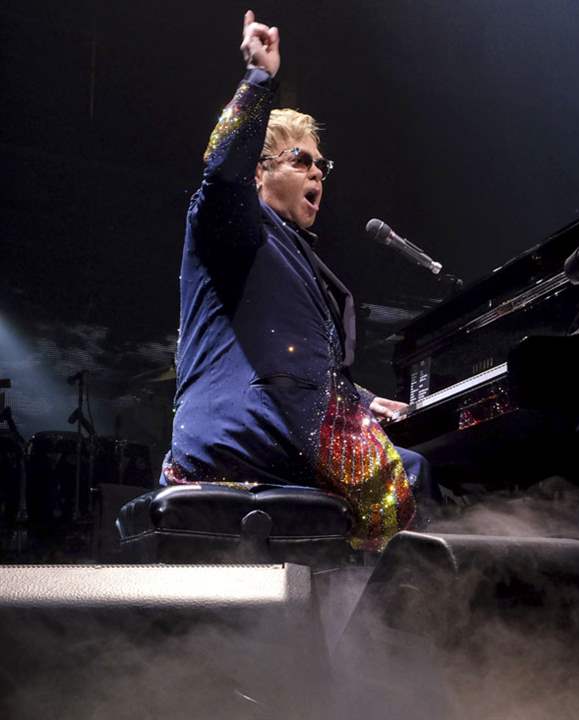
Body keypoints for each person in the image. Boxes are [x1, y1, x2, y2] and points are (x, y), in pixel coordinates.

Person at [161, 11, 436, 551]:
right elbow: (223, 169)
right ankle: (414, 607)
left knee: (393, 468)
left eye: (321, 167)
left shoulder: (291, 251)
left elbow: (291, 358)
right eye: (300, 160)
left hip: (263, 431)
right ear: (259, 171)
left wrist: (363, 400)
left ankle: (342, 593)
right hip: (248, 433)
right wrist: (259, 79)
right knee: (413, 476)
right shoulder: (235, 225)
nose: (317, 174)